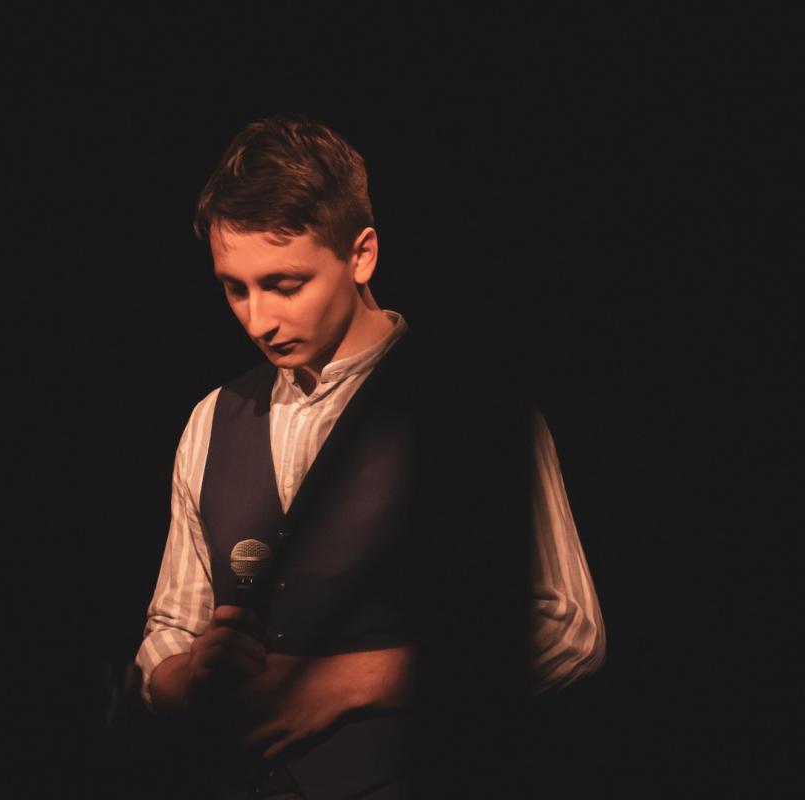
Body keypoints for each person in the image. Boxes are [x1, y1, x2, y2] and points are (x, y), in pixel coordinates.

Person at [133, 113, 606, 799]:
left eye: (285, 284)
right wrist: (187, 677)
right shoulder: (212, 419)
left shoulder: (470, 410)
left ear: (361, 255)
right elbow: (168, 629)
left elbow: (565, 629)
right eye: (235, 288)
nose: (258, 320)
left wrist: (344, 682)